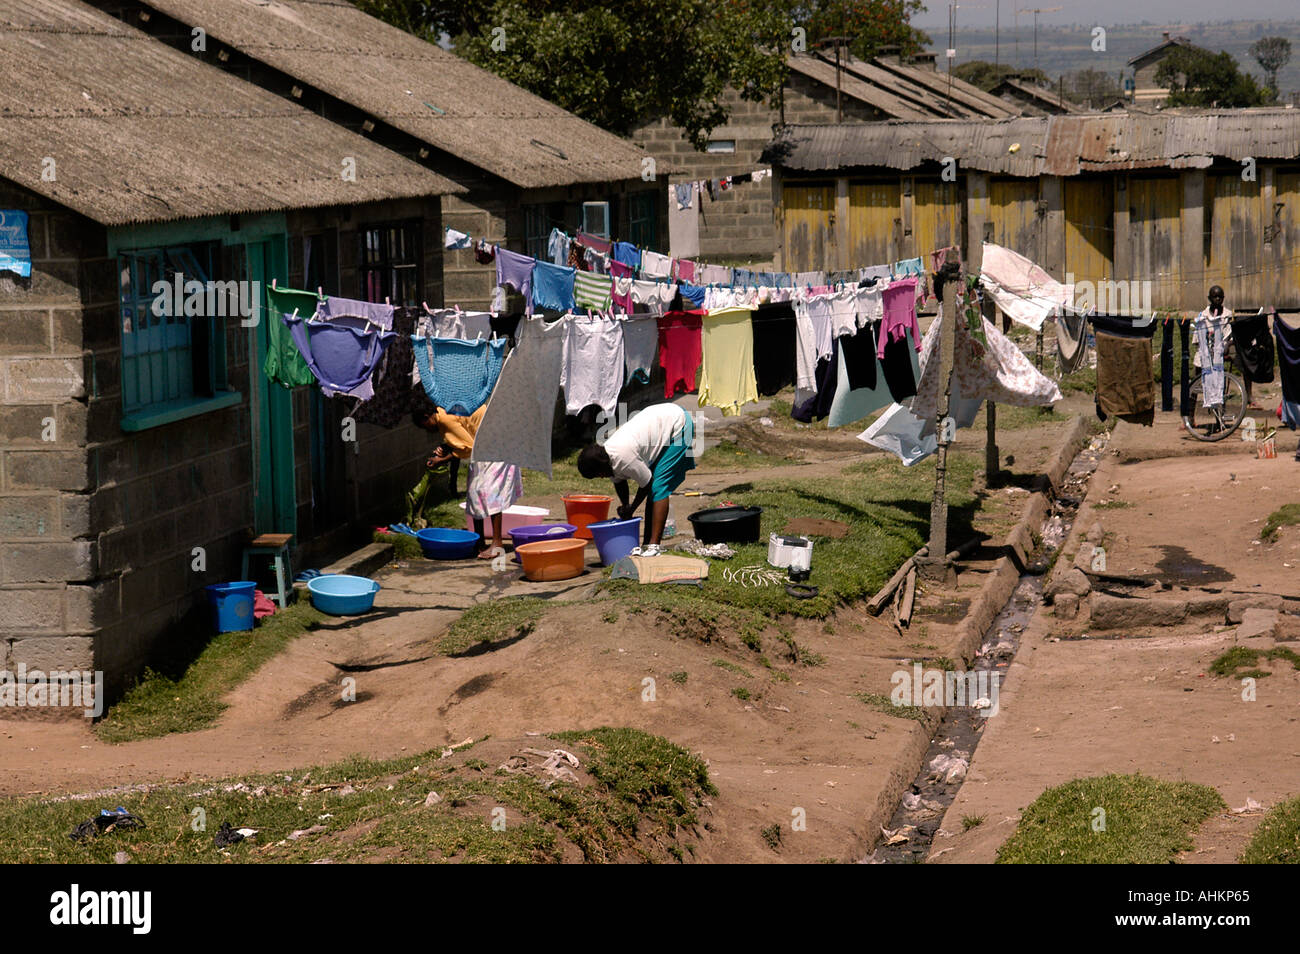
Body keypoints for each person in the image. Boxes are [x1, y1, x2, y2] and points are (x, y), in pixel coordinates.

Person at [576, 403, 696, 557]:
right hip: (661, 420)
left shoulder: (623, 456)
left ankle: (654, 546)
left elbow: (646, 484)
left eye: (598, 474)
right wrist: (625, 505)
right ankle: (647, 544)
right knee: (654, 490)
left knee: (659, 487)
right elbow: (619, 482)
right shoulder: (606, 456)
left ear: (601, 467)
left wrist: (631, 508)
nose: (600, 477)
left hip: (678, 424)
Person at [415, 404, 521, 560]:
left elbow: (467, 447)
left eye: (424, 426)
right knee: (475, 494)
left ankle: (497, 543)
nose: (427, 430)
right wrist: (447, 447)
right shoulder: (445, 411)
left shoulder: (444, 419)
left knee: (490, 493)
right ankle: (479, 542)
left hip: (494, 446)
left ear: (427, 416)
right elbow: (466, 435)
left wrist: (442, 460)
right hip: (488, 444)